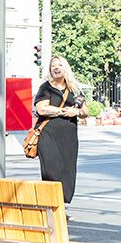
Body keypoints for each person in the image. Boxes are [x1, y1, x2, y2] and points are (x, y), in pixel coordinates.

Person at [33, 56, 89, 208]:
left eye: (59, 65)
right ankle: (51, 206)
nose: (56, 68)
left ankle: (61, 205)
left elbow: (85, 111)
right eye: (53, 66)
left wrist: (75, 112)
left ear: (66, 68)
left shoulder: (74, 89)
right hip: (48, 136)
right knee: (51, 170)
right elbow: (41, 108)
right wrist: (63, 111)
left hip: (69, 138)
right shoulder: (45, 87)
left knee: (67, 170)